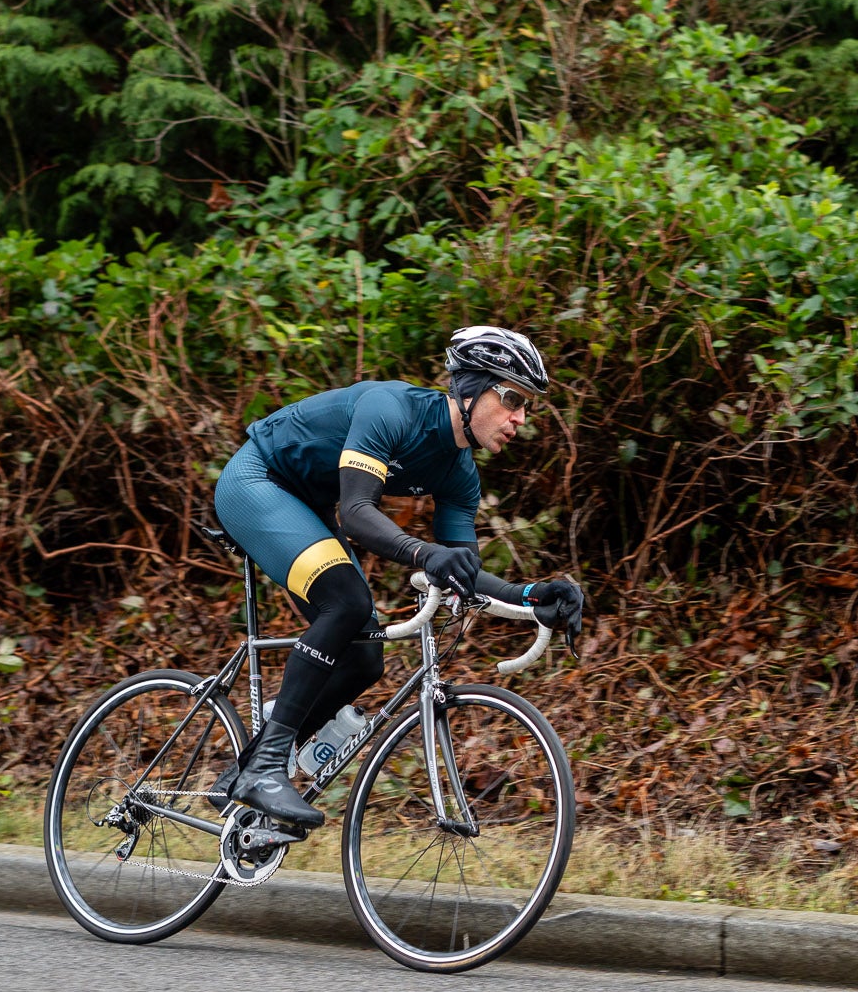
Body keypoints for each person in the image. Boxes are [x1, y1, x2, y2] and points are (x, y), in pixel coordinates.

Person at [209, 324, 585, 842]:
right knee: (346, 601)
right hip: (258, 481)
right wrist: (424, 553)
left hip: (306, 506)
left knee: (365, 658)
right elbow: (356, 512)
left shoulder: (460, 474)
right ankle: (266, 768)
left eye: (528, 406)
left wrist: (531, 596)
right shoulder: (391, 410)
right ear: (471, 389)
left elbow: (465, 573)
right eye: (512, 399)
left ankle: (243, 772)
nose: (520, 418)